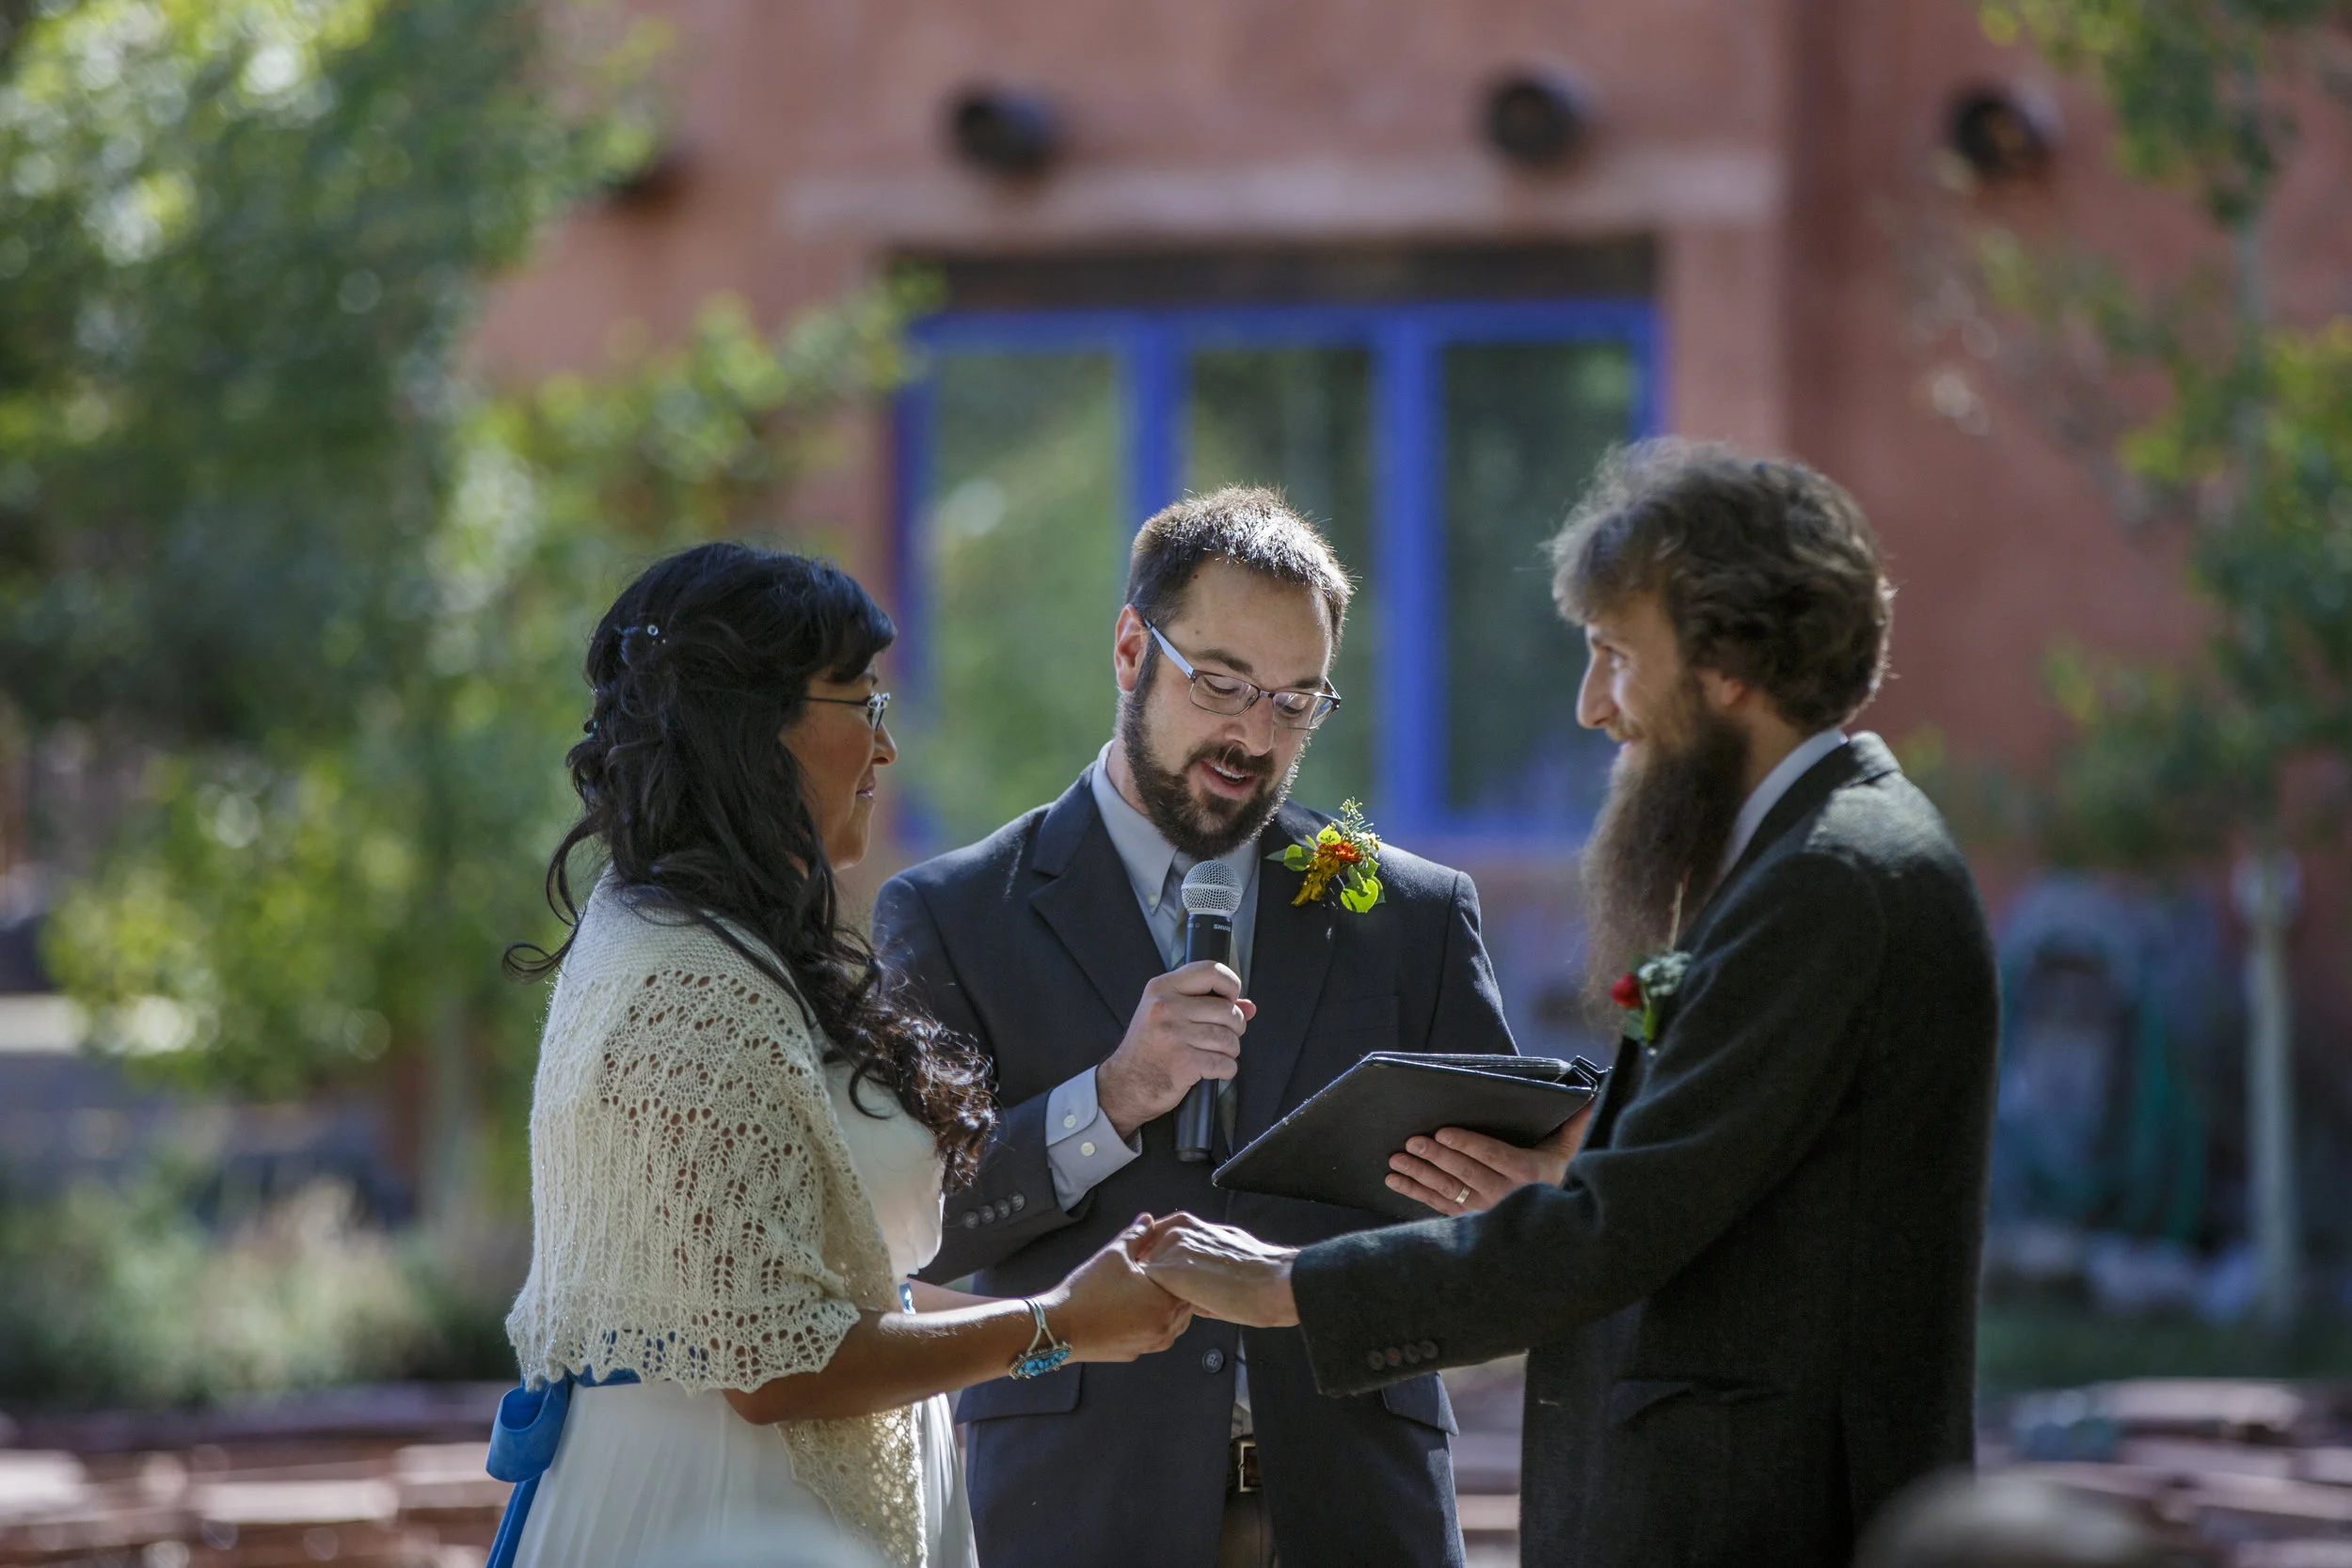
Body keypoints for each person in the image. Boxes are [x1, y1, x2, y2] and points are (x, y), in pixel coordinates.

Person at [1140, 442, 2002, 1567]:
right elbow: (1693, 1179)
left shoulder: (1827, 881)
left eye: (1613, 655)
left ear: (1728, 661)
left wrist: (1284, 1285)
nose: (1593, 706)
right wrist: (1567, 1168)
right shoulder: (1793, 859)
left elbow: (1619, 1230)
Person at [488, 544, 1191, 1568]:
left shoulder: (705, 938)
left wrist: (1074, 1309)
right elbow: (776, 1364)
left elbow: (835, 1295)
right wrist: (1057, 1325)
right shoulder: (684, 980)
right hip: (717, 1517)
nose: (886, 744)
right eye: (861, 697)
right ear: (749, 723)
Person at [874, 487, 1531, 1568]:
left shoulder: (1411, 915)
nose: (1251, 734)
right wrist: (1114, 1095)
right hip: (1078, 1510)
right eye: (1221, 683)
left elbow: (1506, 1244)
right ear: (1132, 645)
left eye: (1293, 702)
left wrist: (1517, 1198)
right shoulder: (951, 915)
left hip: (1361, 1506)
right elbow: (913, 1231)